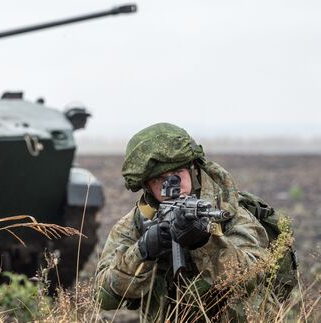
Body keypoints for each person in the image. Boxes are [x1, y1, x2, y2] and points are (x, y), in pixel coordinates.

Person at [95, 123, 271, 321]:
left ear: (193, 170)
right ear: (146, 186)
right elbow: (103, 298)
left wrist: (205, 243)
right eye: (158, 179)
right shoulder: (136, 223)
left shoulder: (230, 212)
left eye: (177, 175)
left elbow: (253, 279)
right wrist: (142, 252)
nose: (171, 185)